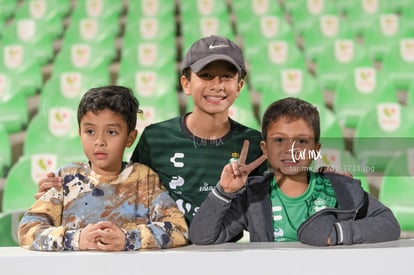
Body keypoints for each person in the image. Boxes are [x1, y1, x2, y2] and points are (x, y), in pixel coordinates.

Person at [35, 35, 268, 225]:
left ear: (239, 86)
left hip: (228, 257)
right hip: (162, 252)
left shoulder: (253, 143)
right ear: (186, 83)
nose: (217, 85)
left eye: (226, 77)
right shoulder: (156, 138)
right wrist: (63, 192)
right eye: (206, 75)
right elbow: (127, 187)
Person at [189, 97, 401, 246]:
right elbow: (202, 237)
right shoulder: (253, 196)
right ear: (264, 148)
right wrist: (223, 192)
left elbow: (389, 224)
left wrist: (337, 234)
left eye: (301, 141)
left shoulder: (338, 187)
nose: (291, 150)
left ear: (316, 150)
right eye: (279, 140)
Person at [17, 85, 189, 251]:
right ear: (80, 133)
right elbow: (27, 230)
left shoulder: (145, 179)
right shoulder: (67, 178)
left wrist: (128, 239)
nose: (99, 141)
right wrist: (75, 239)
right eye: (90, 131)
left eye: (111, 132)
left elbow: (178, 229)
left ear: (130, 138)